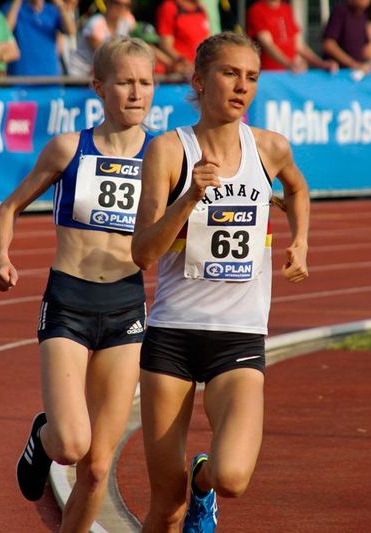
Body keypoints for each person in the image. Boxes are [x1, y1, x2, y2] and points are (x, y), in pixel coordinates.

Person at [131, 31, 310, 533]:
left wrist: (301, 241)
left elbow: (298, 189)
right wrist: (188, 199)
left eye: (251, 77)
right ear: (199, 80)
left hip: (239, 336)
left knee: (232, 477)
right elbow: (142, 252)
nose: (242, 86)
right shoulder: (168, 151)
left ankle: (203, 482)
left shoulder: (269, 148)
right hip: (172, 334)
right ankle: (186, 493)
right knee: (166, 505)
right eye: (230, 73)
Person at [0, 37, 155, 532]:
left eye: (145, 82)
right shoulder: (69, 148)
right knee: (69, 444)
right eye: (124, 82)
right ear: (98, 87)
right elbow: (8, 207)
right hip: (69, 300)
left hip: (126, 305)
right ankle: (43, 435)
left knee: (98, 467)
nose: (136, 92)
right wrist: (1, 255)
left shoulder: (164, 155)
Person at [246, 0, 338, 73]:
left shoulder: (286, 9)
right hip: (269, 75)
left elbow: (299, 46)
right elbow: (268, 45)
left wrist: (321, 64)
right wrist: (289, 64)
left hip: (290, 74)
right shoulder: (257, 10)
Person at [2, 0, 76, 76]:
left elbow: (71, 31)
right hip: (20, 78)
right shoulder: (11, 7)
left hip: (49, 78)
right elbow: (5, 31)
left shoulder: (52, 10)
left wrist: (59, 4)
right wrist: (17, 2)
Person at [68, 0, 135, 78]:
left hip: (100, 74)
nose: (121, 8)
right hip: (79, 75)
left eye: (127, 5)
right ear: (108, 2)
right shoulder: (95, 23)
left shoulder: (127, 22)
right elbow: (104, 55)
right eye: (117, 3)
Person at [156, 0, 211, 77]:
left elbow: (208, 40)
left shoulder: (200, 8)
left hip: (200, 70)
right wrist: (185, 63)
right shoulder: (169, 7)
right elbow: (165, 45)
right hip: (181, 74)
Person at [321, 0, 371, 74]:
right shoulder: (341, 11)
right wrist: (353, 64)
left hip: (357, 74)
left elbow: (368, 52)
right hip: (338, 73)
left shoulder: (364, 15)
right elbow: (328, 44)